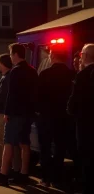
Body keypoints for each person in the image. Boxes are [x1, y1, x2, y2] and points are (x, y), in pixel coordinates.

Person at [0, 43, 38, 186]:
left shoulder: (15, 71)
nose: (10, 57)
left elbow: (12, 94)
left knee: (8, 142)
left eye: (11, 54)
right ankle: (23, 173)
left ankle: (3, 174)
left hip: (15, 112)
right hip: (28, 113)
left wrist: (7, 112)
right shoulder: (32, 70)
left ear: (16, 54)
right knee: (25, 143)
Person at [36, 46, 75, 187]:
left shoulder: (45, 74)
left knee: (45, 147)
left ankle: (46, 178)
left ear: (52, 56)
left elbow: (38, 96)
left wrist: (38, 111)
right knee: (60, 148)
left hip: (46, 117)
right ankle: (57, 179)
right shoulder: (72, 74)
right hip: (64, 118)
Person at [68, 43, 94, 194]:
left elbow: (74, 99)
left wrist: (71, 110)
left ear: (84, 56)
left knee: (86, 154)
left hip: (85, 122)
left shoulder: (83, 75)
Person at [0, 54, 21, 175]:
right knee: (3, 141)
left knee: (3, 142)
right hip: (1, 112)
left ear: (2, 63)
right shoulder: (5, 76)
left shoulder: (8, 77)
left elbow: (2, 96)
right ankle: (6, 167)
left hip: (4, 113)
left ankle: (4, 168)